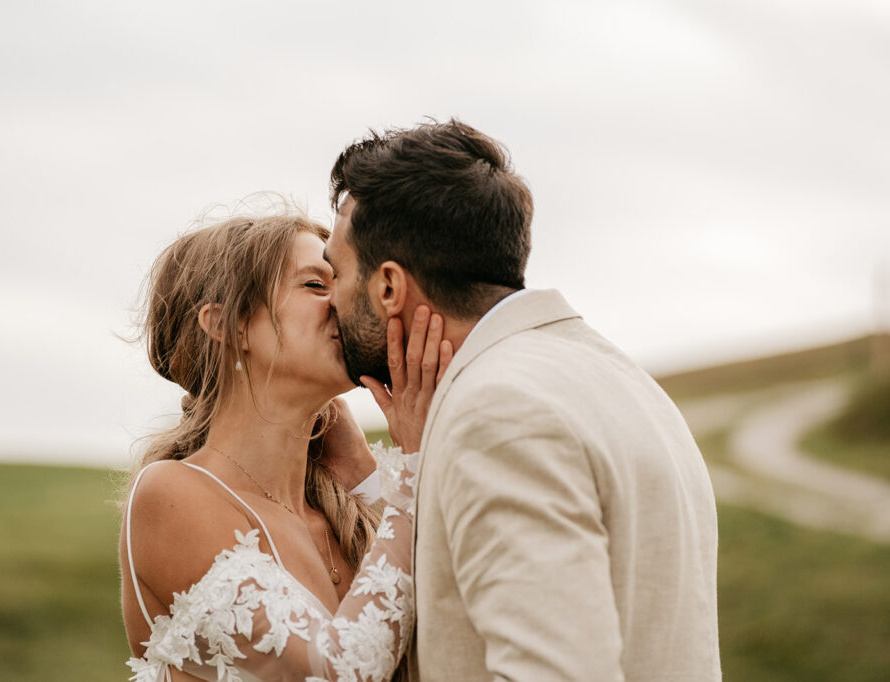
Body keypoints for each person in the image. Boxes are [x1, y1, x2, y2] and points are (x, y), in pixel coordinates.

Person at [324, 119, 722, 681]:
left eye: (334, 273)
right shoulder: (624, 380)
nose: (330, 301)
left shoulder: (497, 416)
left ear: (388, 286)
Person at [120, 211, 451, 681]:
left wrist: (365, 474)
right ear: (228, 325)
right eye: (316, 285)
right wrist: (415, 469)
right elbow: (330, 673)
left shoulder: (357, 506)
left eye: (342, 280)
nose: (344, 299)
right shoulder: (171, 496)